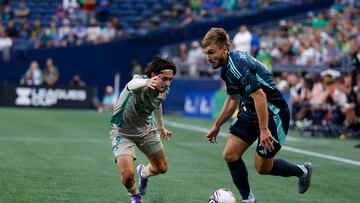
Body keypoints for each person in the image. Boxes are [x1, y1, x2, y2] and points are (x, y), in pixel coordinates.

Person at [201, 28, 312, 203]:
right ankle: (249, 200)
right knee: (230, 154)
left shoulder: (237, 65)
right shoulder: (226, 69)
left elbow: (260, 96)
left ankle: (303, 171)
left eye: (211, 52)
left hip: (274, 114)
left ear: (225, 49)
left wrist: (264, 129)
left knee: (262, 167)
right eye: (206, 53)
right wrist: (217, 125)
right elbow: (232, 99)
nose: (208, 57)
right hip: (250, 110)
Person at [109, 56, 177, 203]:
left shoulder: (165, 90)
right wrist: (146, 82)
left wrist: (161, 127)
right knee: (127, 176)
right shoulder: (140, 83)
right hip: (122, 131)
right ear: (154, 75)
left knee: (162, 168)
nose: (167, 83)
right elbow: (130, 85)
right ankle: (135, 196)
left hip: (146, 130)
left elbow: (157, 104)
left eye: (170, 80)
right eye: (164, 79)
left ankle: (144, 173)